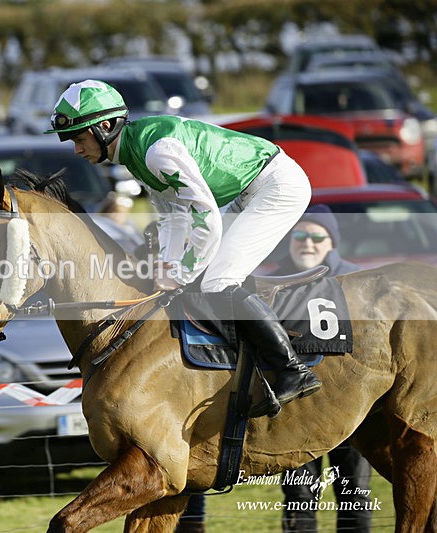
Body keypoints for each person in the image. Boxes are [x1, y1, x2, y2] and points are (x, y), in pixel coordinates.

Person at [44, 79, 321, 415]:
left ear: (104, 127)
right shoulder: (134, 152)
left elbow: (205, 216)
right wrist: (168, 266)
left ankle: (294, 370)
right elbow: (174, 218)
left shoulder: (155, 152)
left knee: (218, 281)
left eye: (79, 137)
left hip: (277, 188)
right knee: (201, 279)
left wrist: (180, 271)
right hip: (249, 191)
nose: (76, 149)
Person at [271, 205, 372, 532]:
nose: (308, 243)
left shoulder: (358, 284)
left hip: (352, 415)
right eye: (300, 235)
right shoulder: (268, 285)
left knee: (355, 501)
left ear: (332, 243)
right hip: (297, 415)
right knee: (299, 503)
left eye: (318, 236)